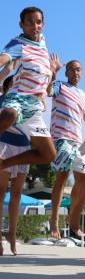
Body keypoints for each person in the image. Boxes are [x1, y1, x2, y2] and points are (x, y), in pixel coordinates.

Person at [0, 7, 56, 170]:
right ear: (21, 25)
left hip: (34, 107)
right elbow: (4, 58)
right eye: (29, 23)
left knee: (49, 155)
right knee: (10, 114)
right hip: (18, 97)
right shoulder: (19, 44)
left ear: (43, 25)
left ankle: (3, 163)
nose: (35, 26)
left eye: (38, 22)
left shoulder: (42, 42)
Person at [47, 57, 85, 240]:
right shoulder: (59, 85)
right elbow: (48, 90)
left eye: (79, 70)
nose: (76, 72)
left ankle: (71, 218)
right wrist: (53, 73)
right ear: (67, 72)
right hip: (61, 138)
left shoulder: (83, 95)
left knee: (83, 181)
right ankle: (53, 222)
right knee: (62, 178)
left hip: (78, 141)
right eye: (73, 69)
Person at [0, 75, 31, 255]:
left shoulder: (25, 102)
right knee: (1, 190)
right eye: (13, 84)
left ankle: (12, 234)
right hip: (3, 143)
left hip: (23, 146)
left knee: (17, 193)